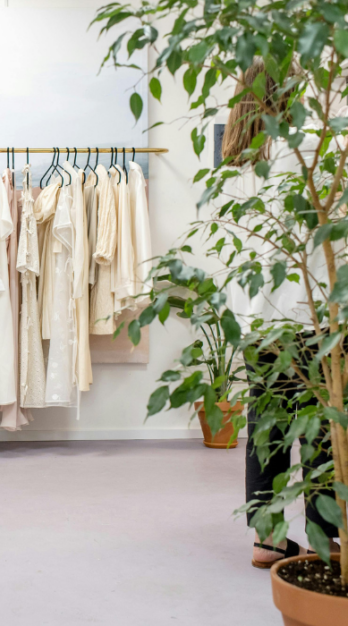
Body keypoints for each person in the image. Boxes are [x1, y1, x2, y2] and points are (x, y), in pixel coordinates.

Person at [221, 58, 342, 569]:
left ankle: (267, 538)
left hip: (256, 318)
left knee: (268, 424)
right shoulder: (313, 144)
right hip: (312, 313)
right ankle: (324, 536)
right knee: (319, 423)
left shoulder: (233, 159)